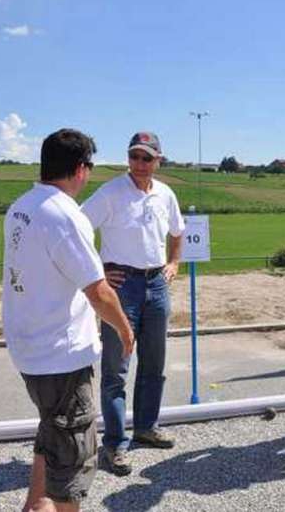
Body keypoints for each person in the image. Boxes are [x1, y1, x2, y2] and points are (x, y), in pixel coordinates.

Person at [2, 128, 135, 512]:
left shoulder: (22, 207)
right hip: (59, 356)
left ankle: (33, 506)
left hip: (31, 349)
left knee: (52, 437)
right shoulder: (64, 215)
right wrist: (125, 331)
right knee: (73, 467)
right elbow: (99, 292)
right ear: (80, 168)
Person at [81, 131, 185, 476]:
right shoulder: (110, 192)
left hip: (156, 283)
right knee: (116, 369)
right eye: (134, 156)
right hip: (121, 286)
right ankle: (114, 444)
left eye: (146, 158)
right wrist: (98, 270)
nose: (139, 164)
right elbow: (77, 229)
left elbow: (177, 232)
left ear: (159, 160)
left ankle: (146, 426)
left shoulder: (165, 194)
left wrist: (173, 263)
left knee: (154, 364)